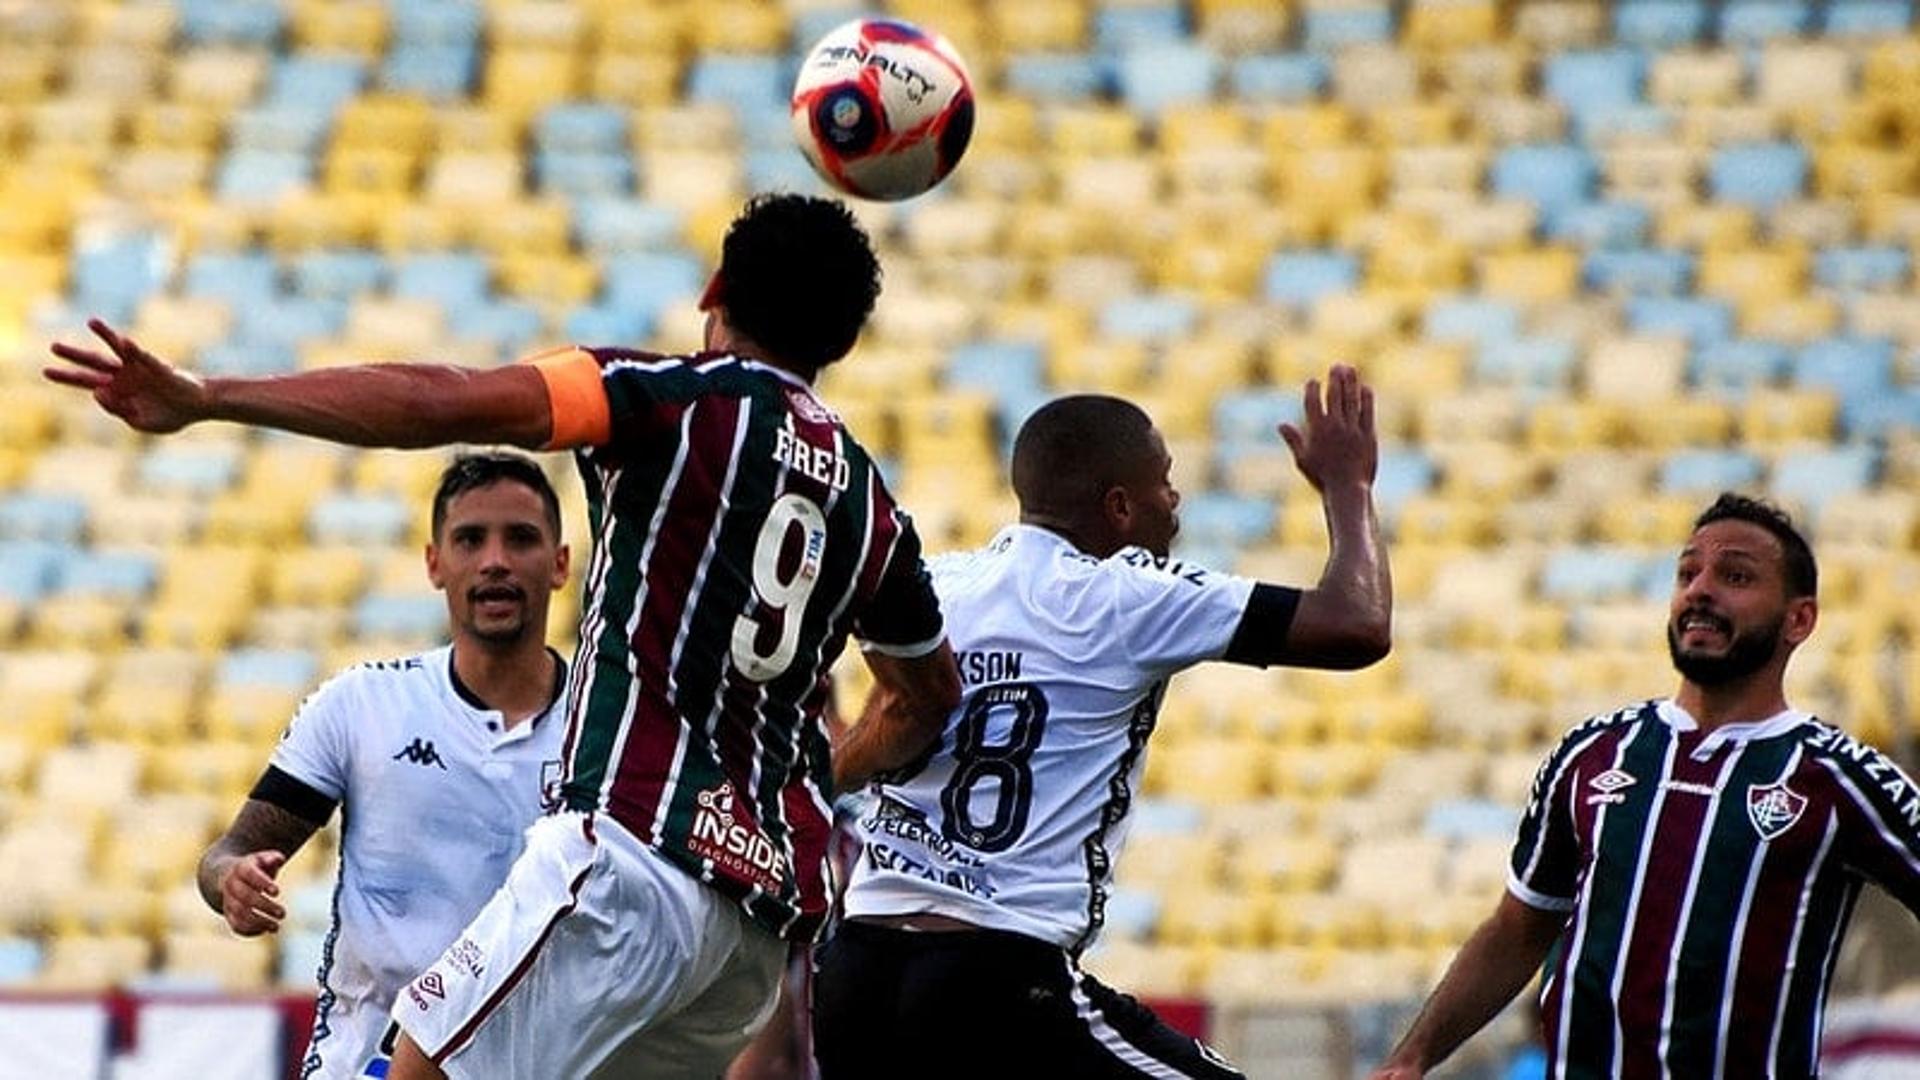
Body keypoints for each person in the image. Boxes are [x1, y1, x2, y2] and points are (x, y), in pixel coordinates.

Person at [49, 193, 962, 1079]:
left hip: (632, 861)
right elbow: (925, 698)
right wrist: (782, 792)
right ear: (841, 340)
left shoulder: (668, 401)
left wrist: (214, 396)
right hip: (754, 937)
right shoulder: (873, 505)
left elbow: (440, 401)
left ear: (712, 294)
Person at [813, 368, 1394, 1079]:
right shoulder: (1129, 595)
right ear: (1119, 507)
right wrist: (1349, 488)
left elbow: (890, 723)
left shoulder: (942, 582)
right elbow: (1356, 624)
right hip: (998, 976)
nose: (1175, 502)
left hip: (855, 977)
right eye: (1165, 481)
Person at [1370, 493, 1920, 1080]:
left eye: (1735, 576)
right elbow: (1518, 930)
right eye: (1688, 572)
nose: (1700, 589)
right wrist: (1412, 1057)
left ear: (1799, 619)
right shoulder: (1592, 754)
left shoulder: (1839, 776)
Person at [196, 451, 573, 1079]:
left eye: (522, 539)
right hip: (368, 1062)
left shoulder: (608, 730)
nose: (496, 561)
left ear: (560, 564)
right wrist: (232, 879)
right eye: (470, 539)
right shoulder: (363, 705)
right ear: (435, 563)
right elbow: (229, 851)